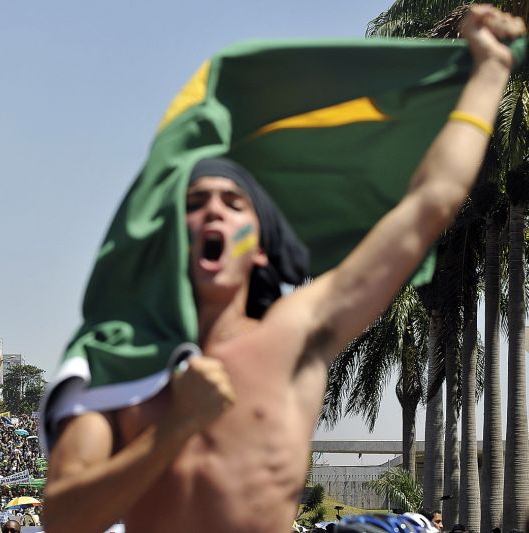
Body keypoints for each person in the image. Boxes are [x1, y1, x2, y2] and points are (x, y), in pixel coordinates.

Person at [43, 6, 526, 533]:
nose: (212, 211)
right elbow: (63, 518)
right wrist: (175, 425)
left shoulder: (297, 336)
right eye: (194, 204)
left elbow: (431, 201)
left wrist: (489, 72)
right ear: (171, 237)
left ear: (260, 247)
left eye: (233, 203)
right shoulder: (118, 363)